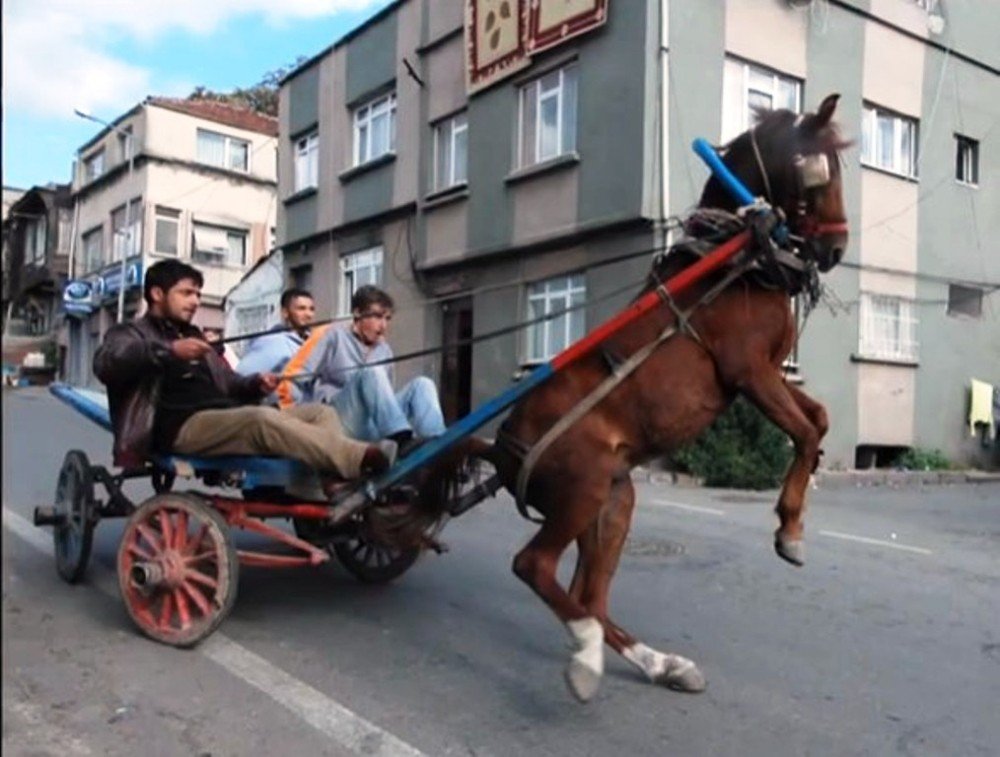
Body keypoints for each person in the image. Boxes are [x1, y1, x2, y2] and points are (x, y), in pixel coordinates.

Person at [92, 259, 395, 484]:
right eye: (187, 293)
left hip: (221, 416)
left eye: (198, 293)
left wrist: (255, 384)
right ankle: (358, 459)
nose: (196, 301)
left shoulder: (194, 335)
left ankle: (329, 482)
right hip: (177, 427)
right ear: (157, 294)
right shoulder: (131, 333)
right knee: (259, 419)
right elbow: (108, 362)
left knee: (319, 413)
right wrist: (169, 351)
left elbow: (228, 383)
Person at [295, 285, 446, 456]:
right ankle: (401, 441)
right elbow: (297, 377)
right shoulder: (334, 336)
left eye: (387, 319)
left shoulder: (384, 349)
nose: (383, 325)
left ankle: (439, 447)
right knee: (371, 372)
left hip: (372, 426)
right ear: (357, 313)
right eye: (377, 317)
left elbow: (385, 398)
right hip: (339, 421)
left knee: (422, 384)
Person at [236, 288, 315, 404]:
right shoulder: (274, 341)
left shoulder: (314, 343)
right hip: (283, 412)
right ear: (285, 313)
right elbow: (243, 375)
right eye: (301, 308)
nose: (308, 314)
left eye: (311, 309)